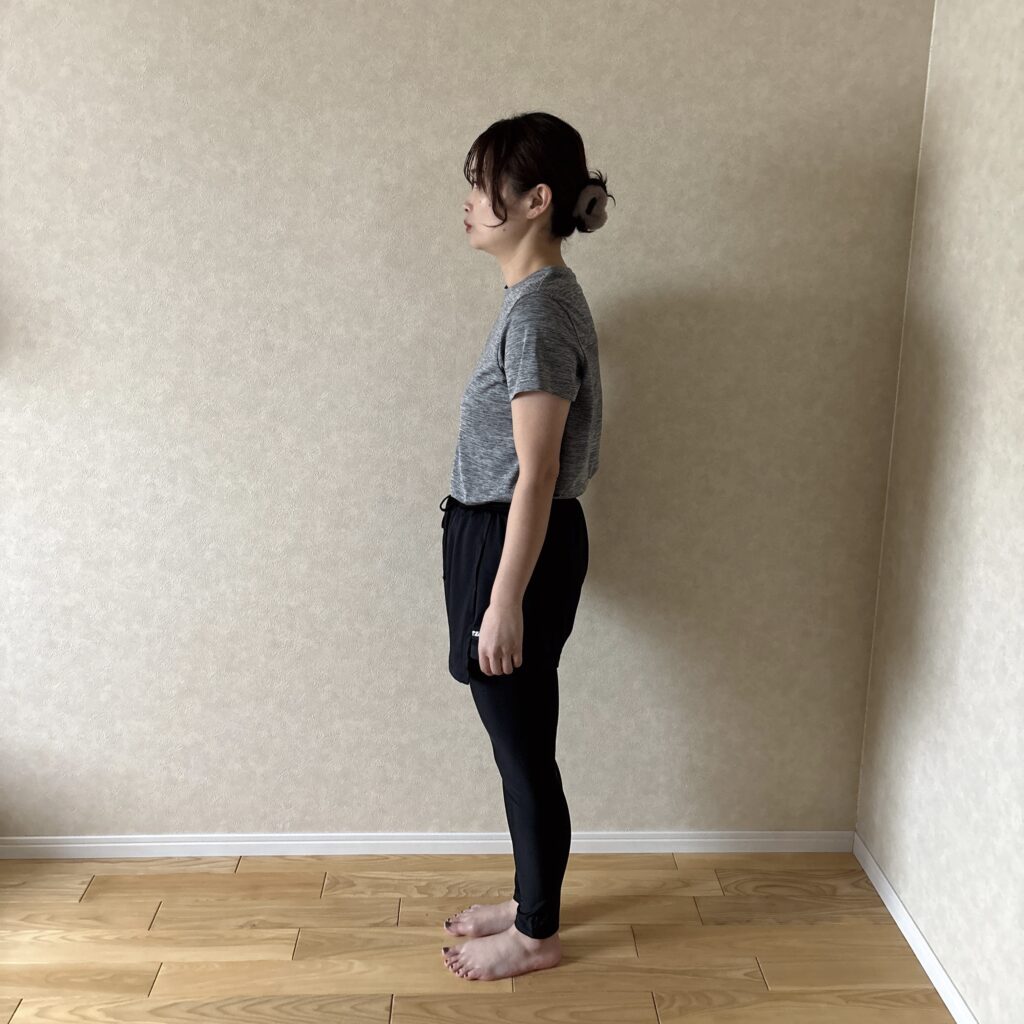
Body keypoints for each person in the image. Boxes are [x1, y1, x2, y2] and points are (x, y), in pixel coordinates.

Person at [437, 111, 612, 982]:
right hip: (499, 537)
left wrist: (503, 598)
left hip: (514, 547)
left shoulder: (540, 310)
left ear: (536, 200)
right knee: (521, 744)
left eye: (484, 184)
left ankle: (537, 933)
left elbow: (536, 474)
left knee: (524, 752)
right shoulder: (533, 301)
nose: (470, 201)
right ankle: (529, 897)